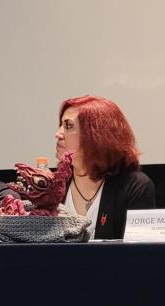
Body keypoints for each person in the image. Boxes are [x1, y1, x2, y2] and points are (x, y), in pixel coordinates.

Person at [55, 95, 155, 239]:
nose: (58, 134)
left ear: (96, 134)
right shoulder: (54, 184)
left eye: (68, 126)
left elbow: (136, 251)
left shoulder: (134, 187)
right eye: (60, 125)